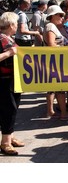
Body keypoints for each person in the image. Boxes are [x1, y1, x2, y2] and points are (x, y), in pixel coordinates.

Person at [43, 5, 68, 121]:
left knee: (53, 88)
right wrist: (64, 48)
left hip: (55, 61)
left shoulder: (51, 26)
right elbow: (51, 44)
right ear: (52, 16)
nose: (62, 17)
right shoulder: (51, 26)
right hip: (56, 62)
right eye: (60, 15)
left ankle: (51, 111)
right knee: (60, 88)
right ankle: (63, 113)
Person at [0, 12, 24, 156]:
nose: (17, 27)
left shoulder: (8, 38)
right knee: (8, 110)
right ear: (10, 25)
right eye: (16, 24)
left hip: (12, 78)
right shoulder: (1, 39)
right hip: (4, 79)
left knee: (12, 109)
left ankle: (9, 136)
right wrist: (9, 53)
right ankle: (5, 143)